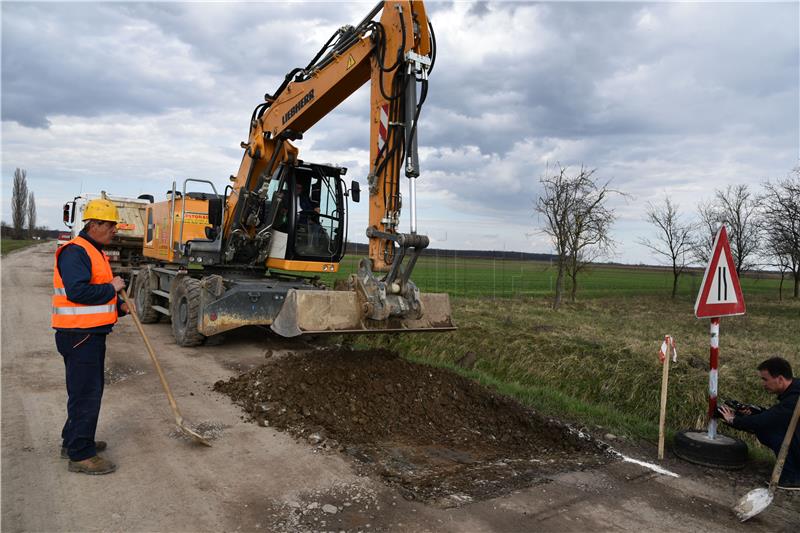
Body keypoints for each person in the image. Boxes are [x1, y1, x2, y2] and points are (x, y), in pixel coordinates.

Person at [52, 198, 129, 475]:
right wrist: (112, 287)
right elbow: (77, 292)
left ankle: (72, 441)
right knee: (86, 394)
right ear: (94, 224)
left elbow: (93, 298)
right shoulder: (76, 252)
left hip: (88, 333)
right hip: (79, 336)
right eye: (110, 226)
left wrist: (118, 308)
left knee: (83, 391)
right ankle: (81, 454)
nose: (114, 231)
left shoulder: (95, 251)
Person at [719, 357, 800, 490]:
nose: (763, 384)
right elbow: (776, 415)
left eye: (765, 379)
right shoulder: (795, 390)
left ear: (780, 379)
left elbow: (765, 421)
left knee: (769, 430)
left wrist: (733, 420)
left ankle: (793, 477)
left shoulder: (794, 400)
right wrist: (756, 411)